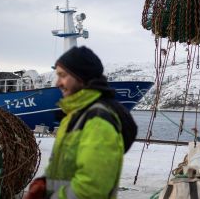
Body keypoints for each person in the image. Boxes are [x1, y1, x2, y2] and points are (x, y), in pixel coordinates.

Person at [25, 46, 137, 199]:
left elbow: (91, 189)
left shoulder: (98, 122)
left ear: (81, 77)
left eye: (62, 75)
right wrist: (45, 185)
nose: (57, 83)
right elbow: (64, 173)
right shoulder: (73, 116)